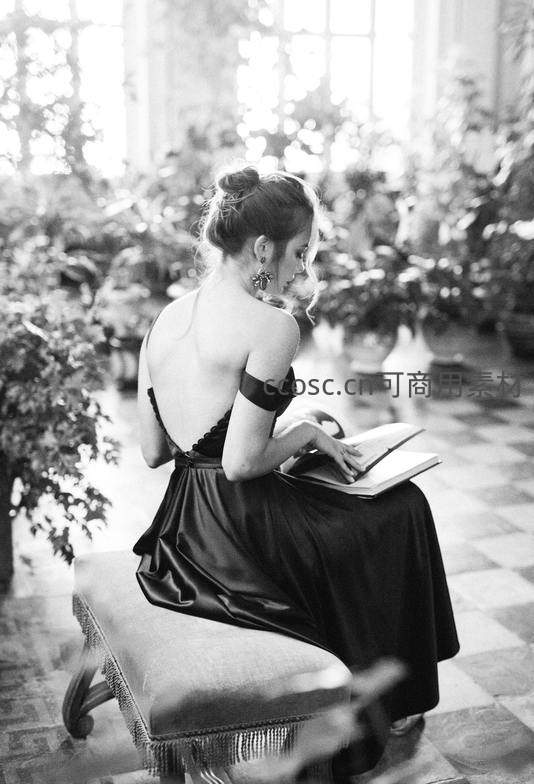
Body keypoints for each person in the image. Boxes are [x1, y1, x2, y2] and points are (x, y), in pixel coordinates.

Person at [133, 165, 459, 778]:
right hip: (243, 535)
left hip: (182, 534)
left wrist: (292, 428)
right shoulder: (272, 325)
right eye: (301, 251)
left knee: (369, 511)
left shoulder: (165, 320)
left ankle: (381, 697)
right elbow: (239, 464)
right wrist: (306, 432)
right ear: (263, 249)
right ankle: (392, 704)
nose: (302, 268)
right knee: (401, 509)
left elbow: (154, 451)